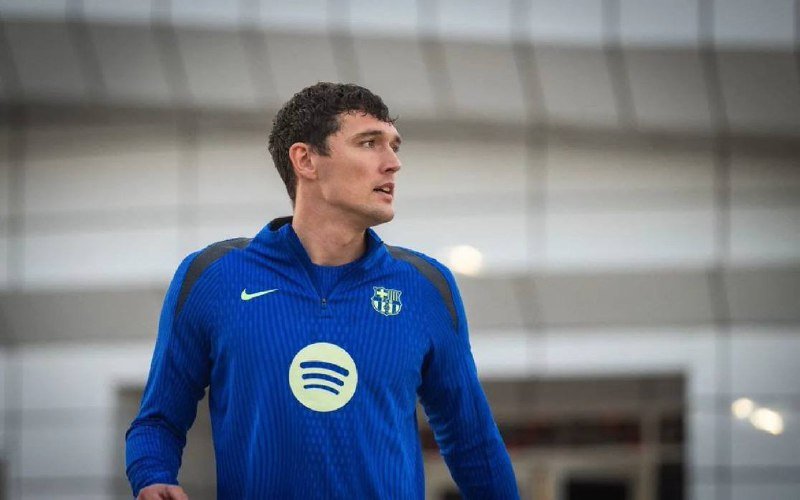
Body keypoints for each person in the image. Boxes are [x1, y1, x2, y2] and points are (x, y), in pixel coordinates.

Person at [125, 82, 520, 499]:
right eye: (369, 143)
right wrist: (153, 476)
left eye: (394, 146)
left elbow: (473, 443)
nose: (393, 163)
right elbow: (158, 421)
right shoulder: (213, 278)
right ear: (306, 160)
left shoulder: (426, 287)